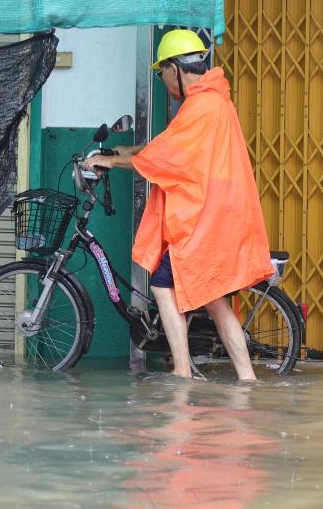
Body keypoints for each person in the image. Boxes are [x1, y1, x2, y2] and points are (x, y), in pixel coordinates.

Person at [82, 29, 273, 380]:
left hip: (205, 218)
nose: (162, 80)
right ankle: (247, 380)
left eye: (161, 73)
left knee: (162, 284)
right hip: (218, 214)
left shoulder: (201, 106)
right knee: (215, 301)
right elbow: (172, 145)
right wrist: (126, 153)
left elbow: (170, 156)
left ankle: (182, 371)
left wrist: (109, 162)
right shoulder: (214, 100)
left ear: (175, 68)